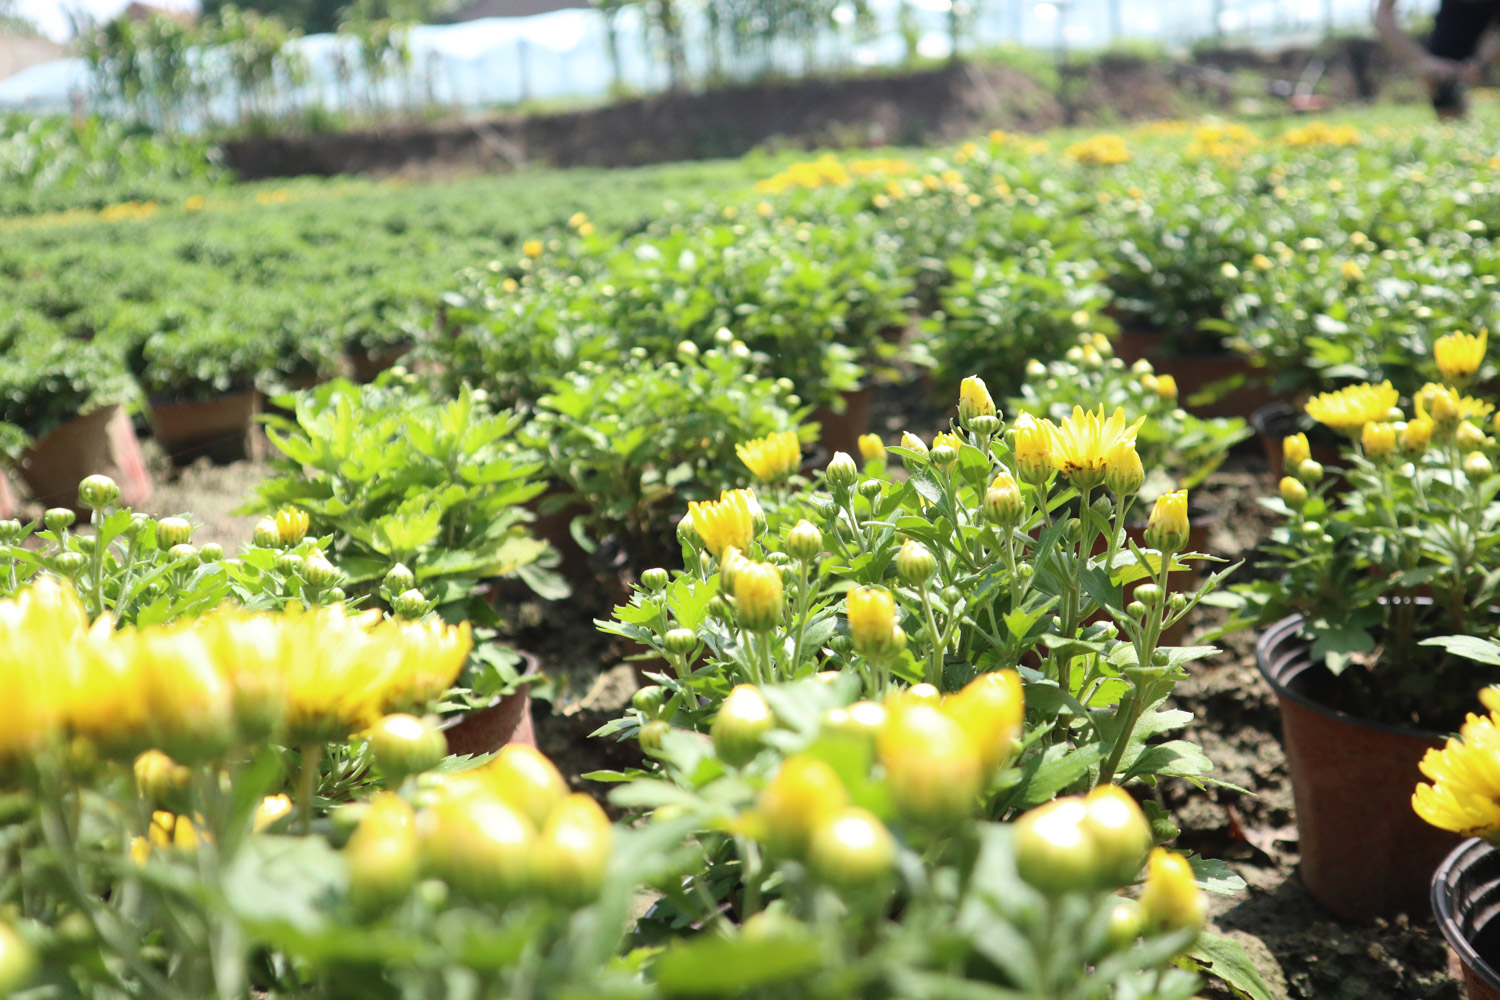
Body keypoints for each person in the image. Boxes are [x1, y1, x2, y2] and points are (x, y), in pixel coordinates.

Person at [1375, 0, 1500, 116]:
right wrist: (1422, 60)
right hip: (1457, 14)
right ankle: (1453, 119)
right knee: (1441, 84)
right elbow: (1383, 14)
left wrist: (1482, 60)